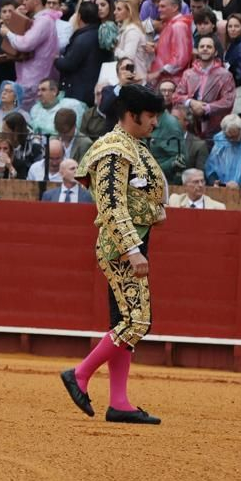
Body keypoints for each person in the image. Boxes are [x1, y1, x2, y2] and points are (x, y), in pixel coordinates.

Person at [61, 83, 167, 425]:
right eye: (151, 115)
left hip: (131, 241)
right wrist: (133, 249)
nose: (155, 123)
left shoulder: (131, 146)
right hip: (122, 246)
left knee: (123, 322)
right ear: (131, 114)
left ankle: (119, 402)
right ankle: (79, 374)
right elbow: (110, 204)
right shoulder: (113, 149)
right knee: (138, 322)